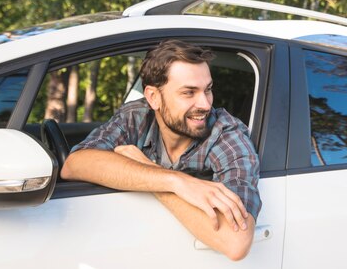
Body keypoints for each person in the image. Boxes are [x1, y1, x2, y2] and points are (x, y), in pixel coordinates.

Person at [61, 39, 261, 261]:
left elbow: (236, 243)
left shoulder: (227, 134)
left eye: (208, 90)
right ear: (153, 97)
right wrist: (176, 182)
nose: (205, 104)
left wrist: (149, 171)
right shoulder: (136, 117)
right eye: (189, 92)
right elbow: (74, 165)